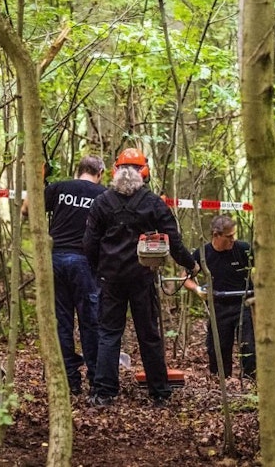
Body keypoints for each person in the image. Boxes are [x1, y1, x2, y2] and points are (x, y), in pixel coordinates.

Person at [83, 148, 197, 406]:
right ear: (144, 172)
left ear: (115, 171)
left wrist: (97, 270)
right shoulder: (154, 203)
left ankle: (104, 392)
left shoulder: (102, 202)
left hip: (110, 279)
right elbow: (173, 240)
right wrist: (190, 264)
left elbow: (89, 243)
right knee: (149, 334)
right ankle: (159, 392)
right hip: (142, 278)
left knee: (109, 333)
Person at [36, 155, 106, 395]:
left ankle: (69, 381)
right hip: (85, 263)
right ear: (100, 173)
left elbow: (28, 210)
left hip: (55, 260)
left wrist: (40, 180)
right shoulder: (103, 195)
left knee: (62, 322)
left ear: (78, 170)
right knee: (91, 322)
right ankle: (96, 381)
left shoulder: (59, 188)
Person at [183, 215, 256, 380]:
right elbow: (184, 277)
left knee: (249, 346)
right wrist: (197, 289)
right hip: (218, 306)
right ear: (216, 235)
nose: (233, 240)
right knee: (218, 348)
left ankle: (250, 383)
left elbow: (266, 267)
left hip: (244, 303)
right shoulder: (203, 254)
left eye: (234, 235)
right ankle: (221, 383)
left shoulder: (243, 249)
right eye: (229, 236)